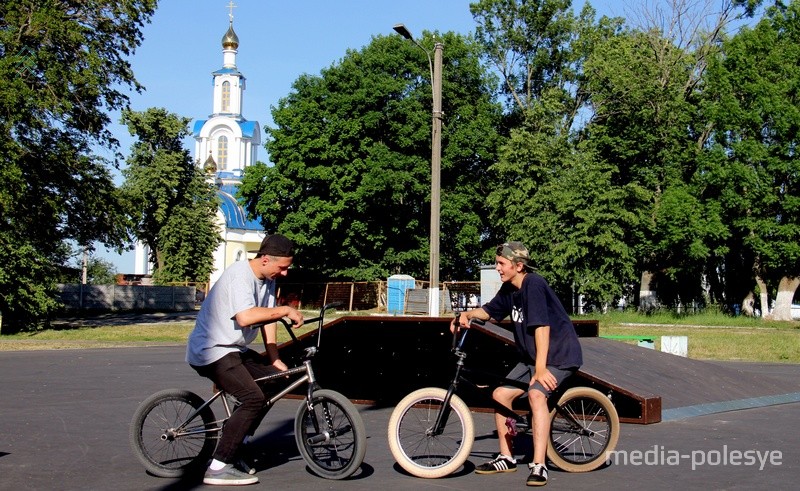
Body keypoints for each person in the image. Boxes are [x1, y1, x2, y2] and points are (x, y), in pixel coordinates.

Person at [452, 241, 583, 487]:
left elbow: (542, 329)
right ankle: (506, 457)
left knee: (536, 395)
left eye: (501, 264)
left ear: (518, 266)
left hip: (559, 356)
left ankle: (539, 465)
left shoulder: (533, 284)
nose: (497, 268)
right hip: (532, 358)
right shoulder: (509, 289)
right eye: (497, 263)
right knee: (500, 394)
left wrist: (541, 369)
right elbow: (489, 311)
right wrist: (466, 315)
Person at [186, 234, 304, 486]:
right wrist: (285, 310)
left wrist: (275, 358)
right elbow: (246, 317)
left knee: (274, 381)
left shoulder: (269, 280)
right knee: (253, 398)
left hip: (233, 349)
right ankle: (218, 467)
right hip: (211, 350)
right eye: (281, 267)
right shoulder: (240, 275)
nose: (284, 273)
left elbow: (267, 319)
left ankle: (237, 443)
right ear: (264, 260)